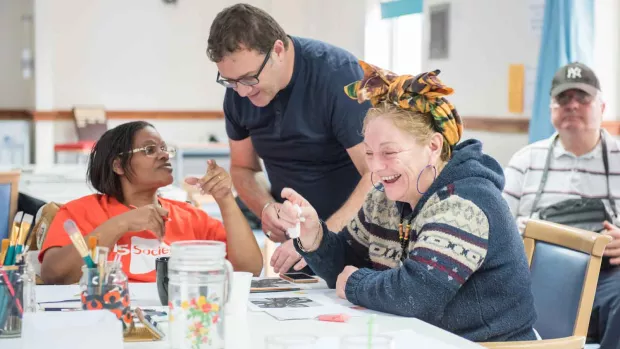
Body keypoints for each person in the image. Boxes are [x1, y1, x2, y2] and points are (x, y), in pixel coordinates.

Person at [276, 61, 537, 342]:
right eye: (369, 154)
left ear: (433, 146)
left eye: (389, 152)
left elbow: (415, 294)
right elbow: (347, 262)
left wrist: (355, 283)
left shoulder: (465, 204)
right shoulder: (384, 198)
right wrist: (315, 236)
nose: (376, 167)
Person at [207, 3, 372, 274]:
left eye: (249, 79)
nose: (242, 93)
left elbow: (375, 174)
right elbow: (243, 168)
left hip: (357, 241)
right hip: (296, 248)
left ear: (278, 51)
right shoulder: (238, 93)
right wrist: (266, 208)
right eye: (229, 81)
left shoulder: (337, 75)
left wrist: (319, 239)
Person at [39, 121, 263, 284]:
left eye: (164, 148)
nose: (165, 155)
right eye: (149, 150)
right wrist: (121, 224)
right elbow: (54, 275)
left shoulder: (191, 217)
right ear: (118, 165)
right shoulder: (81, 211)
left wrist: (225, 199)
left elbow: (250, 269)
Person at [503, 62, 620, 349]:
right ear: (551, 109)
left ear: (602, 107)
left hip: (608, 277)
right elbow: (498, 227)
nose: (572, 105)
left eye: (583, 98)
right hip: (535, 273)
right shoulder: (525, 160)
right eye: (563, 99)